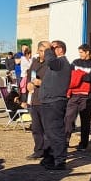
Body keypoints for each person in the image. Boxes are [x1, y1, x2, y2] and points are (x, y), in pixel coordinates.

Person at [33, 39, 71, 171]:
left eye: (53, 48)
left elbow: (50, 60)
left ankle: (60, 160)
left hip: (54, 102)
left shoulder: (61, 62)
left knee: (56, 132)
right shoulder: (55, 64)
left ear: (60, 50)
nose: (50, 51)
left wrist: (48, 48)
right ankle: (50, 157)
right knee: (48, 132)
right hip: (48, 101)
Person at [66, 43, 91, 150]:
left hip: (88, 97)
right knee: (68, 119)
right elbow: (70, 76)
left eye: (81, 52)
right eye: (79, 52)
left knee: (85, 121)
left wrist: (78, 74)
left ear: (87, 52)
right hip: (74, 95)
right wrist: (81, 75)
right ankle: (65, 141)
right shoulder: (75, 62)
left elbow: (90, 78)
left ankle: (83, 144)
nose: (80, 54)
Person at [24, 41, 48, 160]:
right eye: (43, 50)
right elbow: (30, 76)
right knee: (36, 128)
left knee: (47, 129)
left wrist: (42, 83)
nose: (45, 53)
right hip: (34, 100)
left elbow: (56, 82)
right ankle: (38, 150)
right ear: (38, 51)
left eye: (47, 50)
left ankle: (49, 152)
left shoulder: (51, 64)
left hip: (47, 101)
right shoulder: (34, 63)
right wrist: (29, 84)